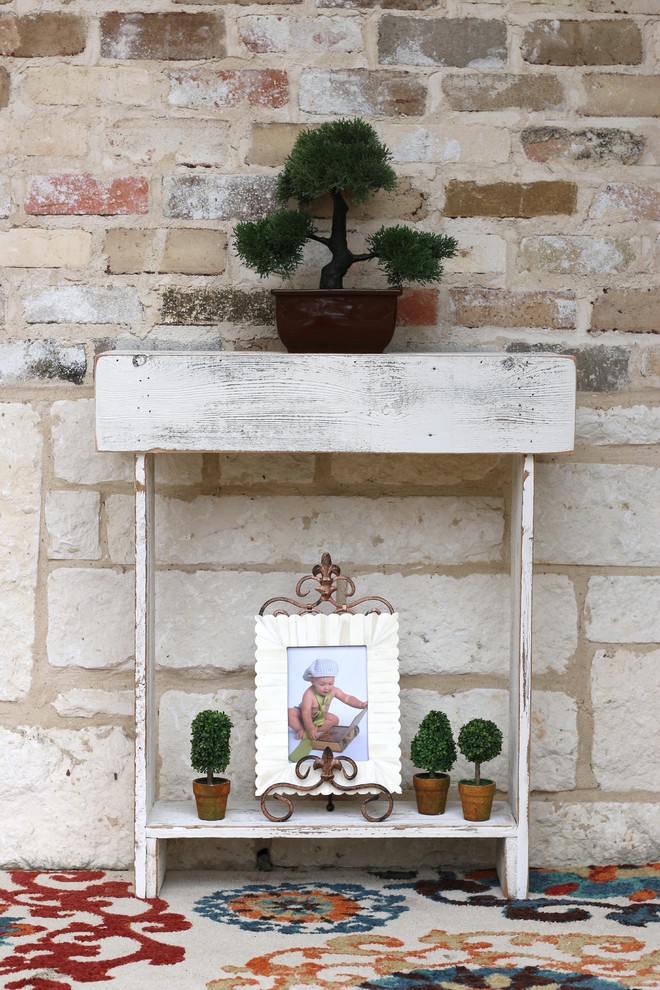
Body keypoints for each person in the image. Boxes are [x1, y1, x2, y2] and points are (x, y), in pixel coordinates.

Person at [287, 658, 367, 762]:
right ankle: (301, 729)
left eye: (330, 683)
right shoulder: (309, 694)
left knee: (334, 719)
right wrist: (310, 728)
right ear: (312, 681)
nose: (327, 688)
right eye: (322, 684)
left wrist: (361, 704)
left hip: (320, 718)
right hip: (302, 716)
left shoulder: (333, 691)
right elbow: (305, 713)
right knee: (288, 713)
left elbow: (347, 698)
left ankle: (314, 729)